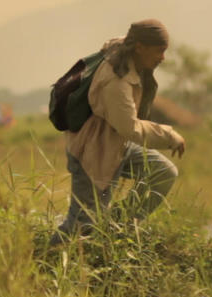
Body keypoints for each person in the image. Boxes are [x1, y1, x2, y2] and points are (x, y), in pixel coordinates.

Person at [51, 18, 186, 244]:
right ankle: (40, 262)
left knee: (162, 173)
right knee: (81, 226)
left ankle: (113, 230)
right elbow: (129, 126)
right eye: (159, 51)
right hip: (93, 152)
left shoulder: (129, 56)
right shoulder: (116, 79)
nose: (162, 57)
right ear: (140, 47)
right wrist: (170, 136)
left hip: (116, 143)